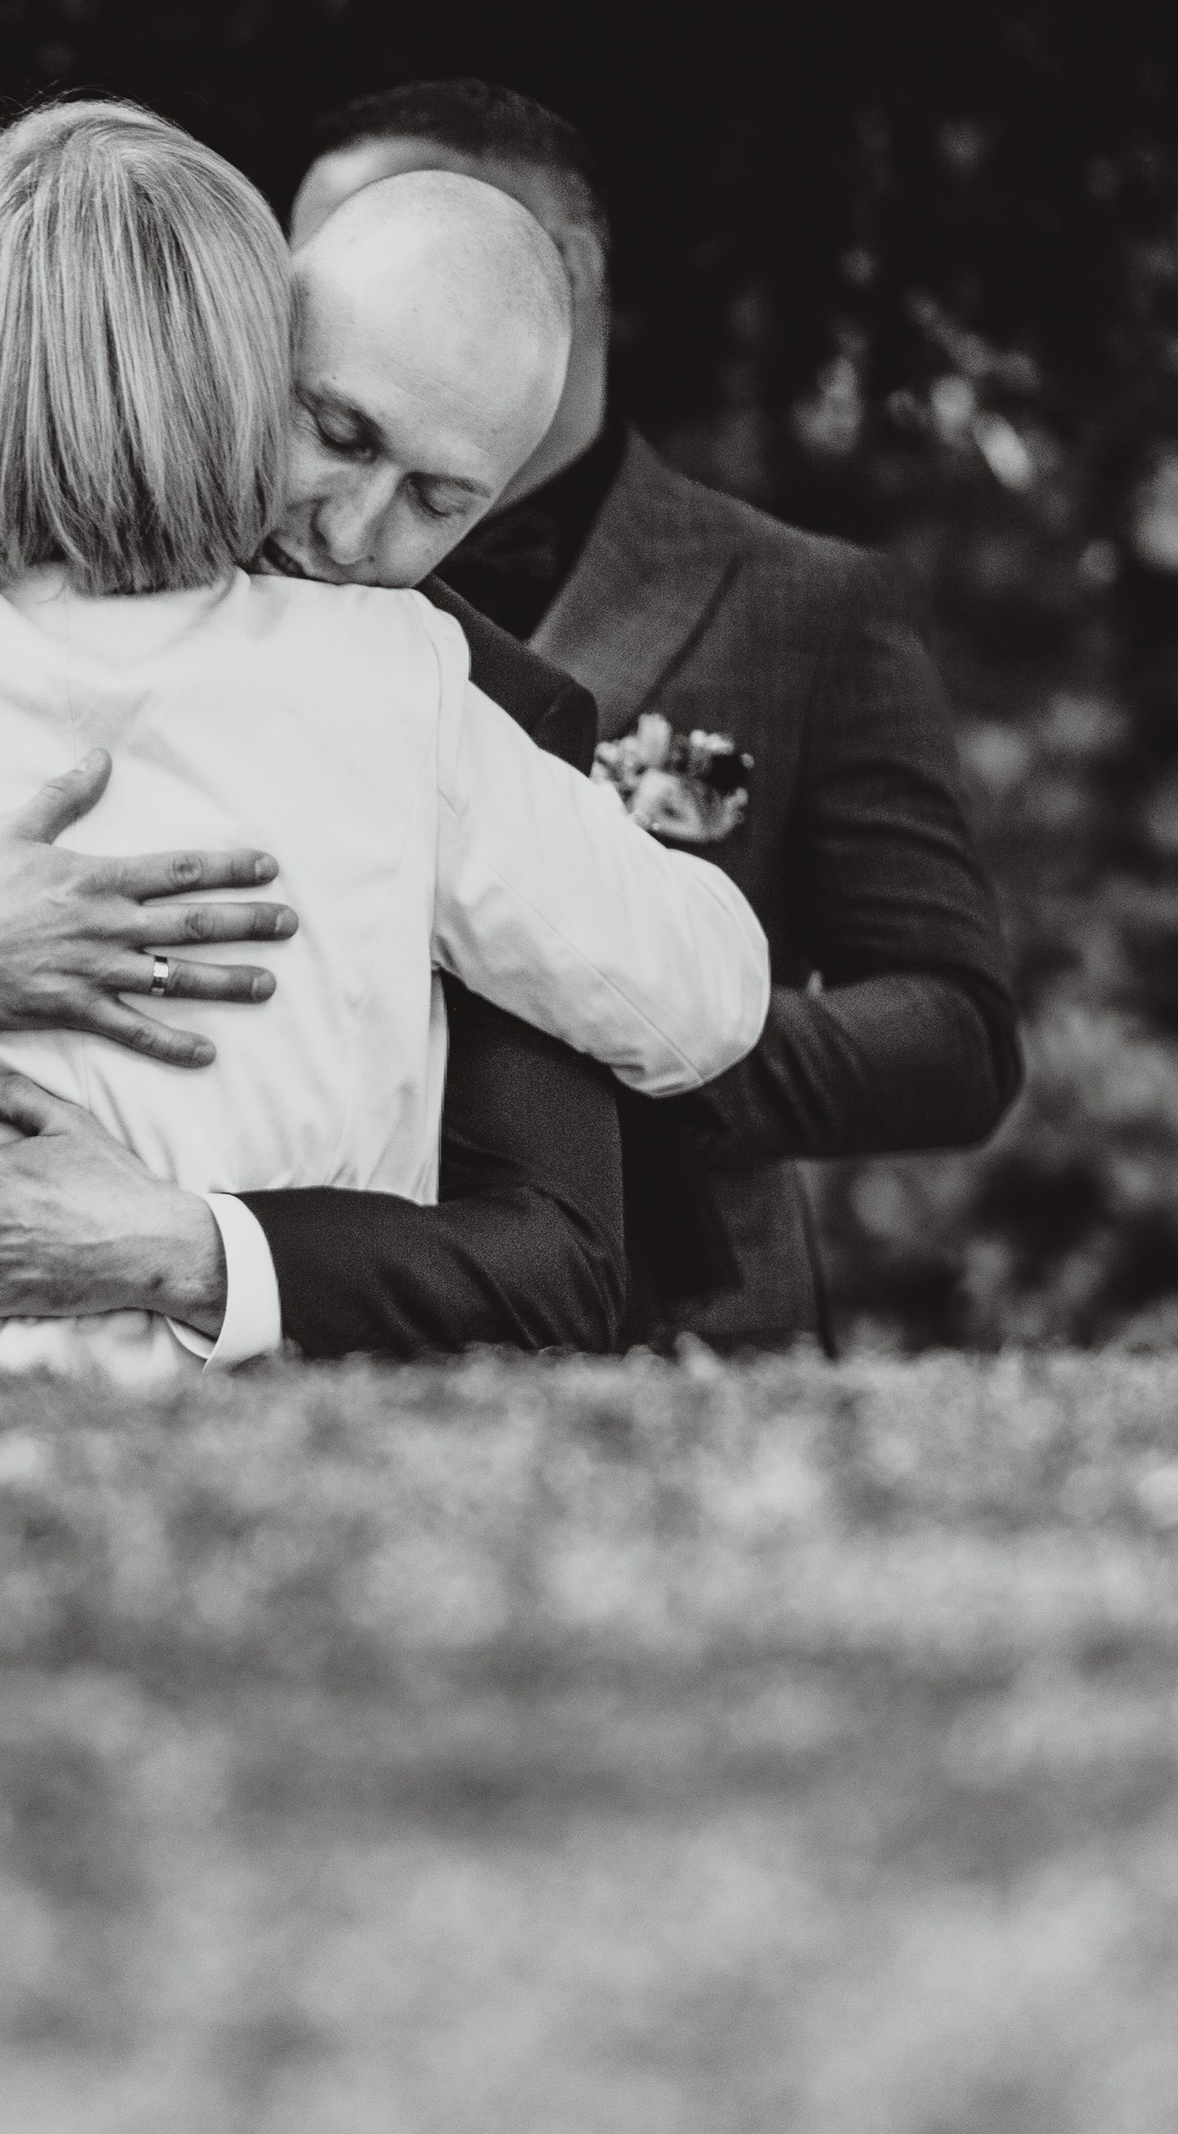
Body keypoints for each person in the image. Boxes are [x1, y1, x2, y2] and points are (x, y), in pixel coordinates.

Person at [0, 98, 767, 1387]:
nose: (348, 533)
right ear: (235, 357)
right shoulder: (394, 686)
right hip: (209, 1445)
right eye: (334, 433)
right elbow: (704, 998)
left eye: (442, 503)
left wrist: (192, 1243)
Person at [283, 80, 1022, 1345]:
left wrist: (627, 1022)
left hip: (679, 1321)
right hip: (312, 1296)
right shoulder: (249, 552)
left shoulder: (802, 603)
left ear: (556, 275)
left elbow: (953, 1036)